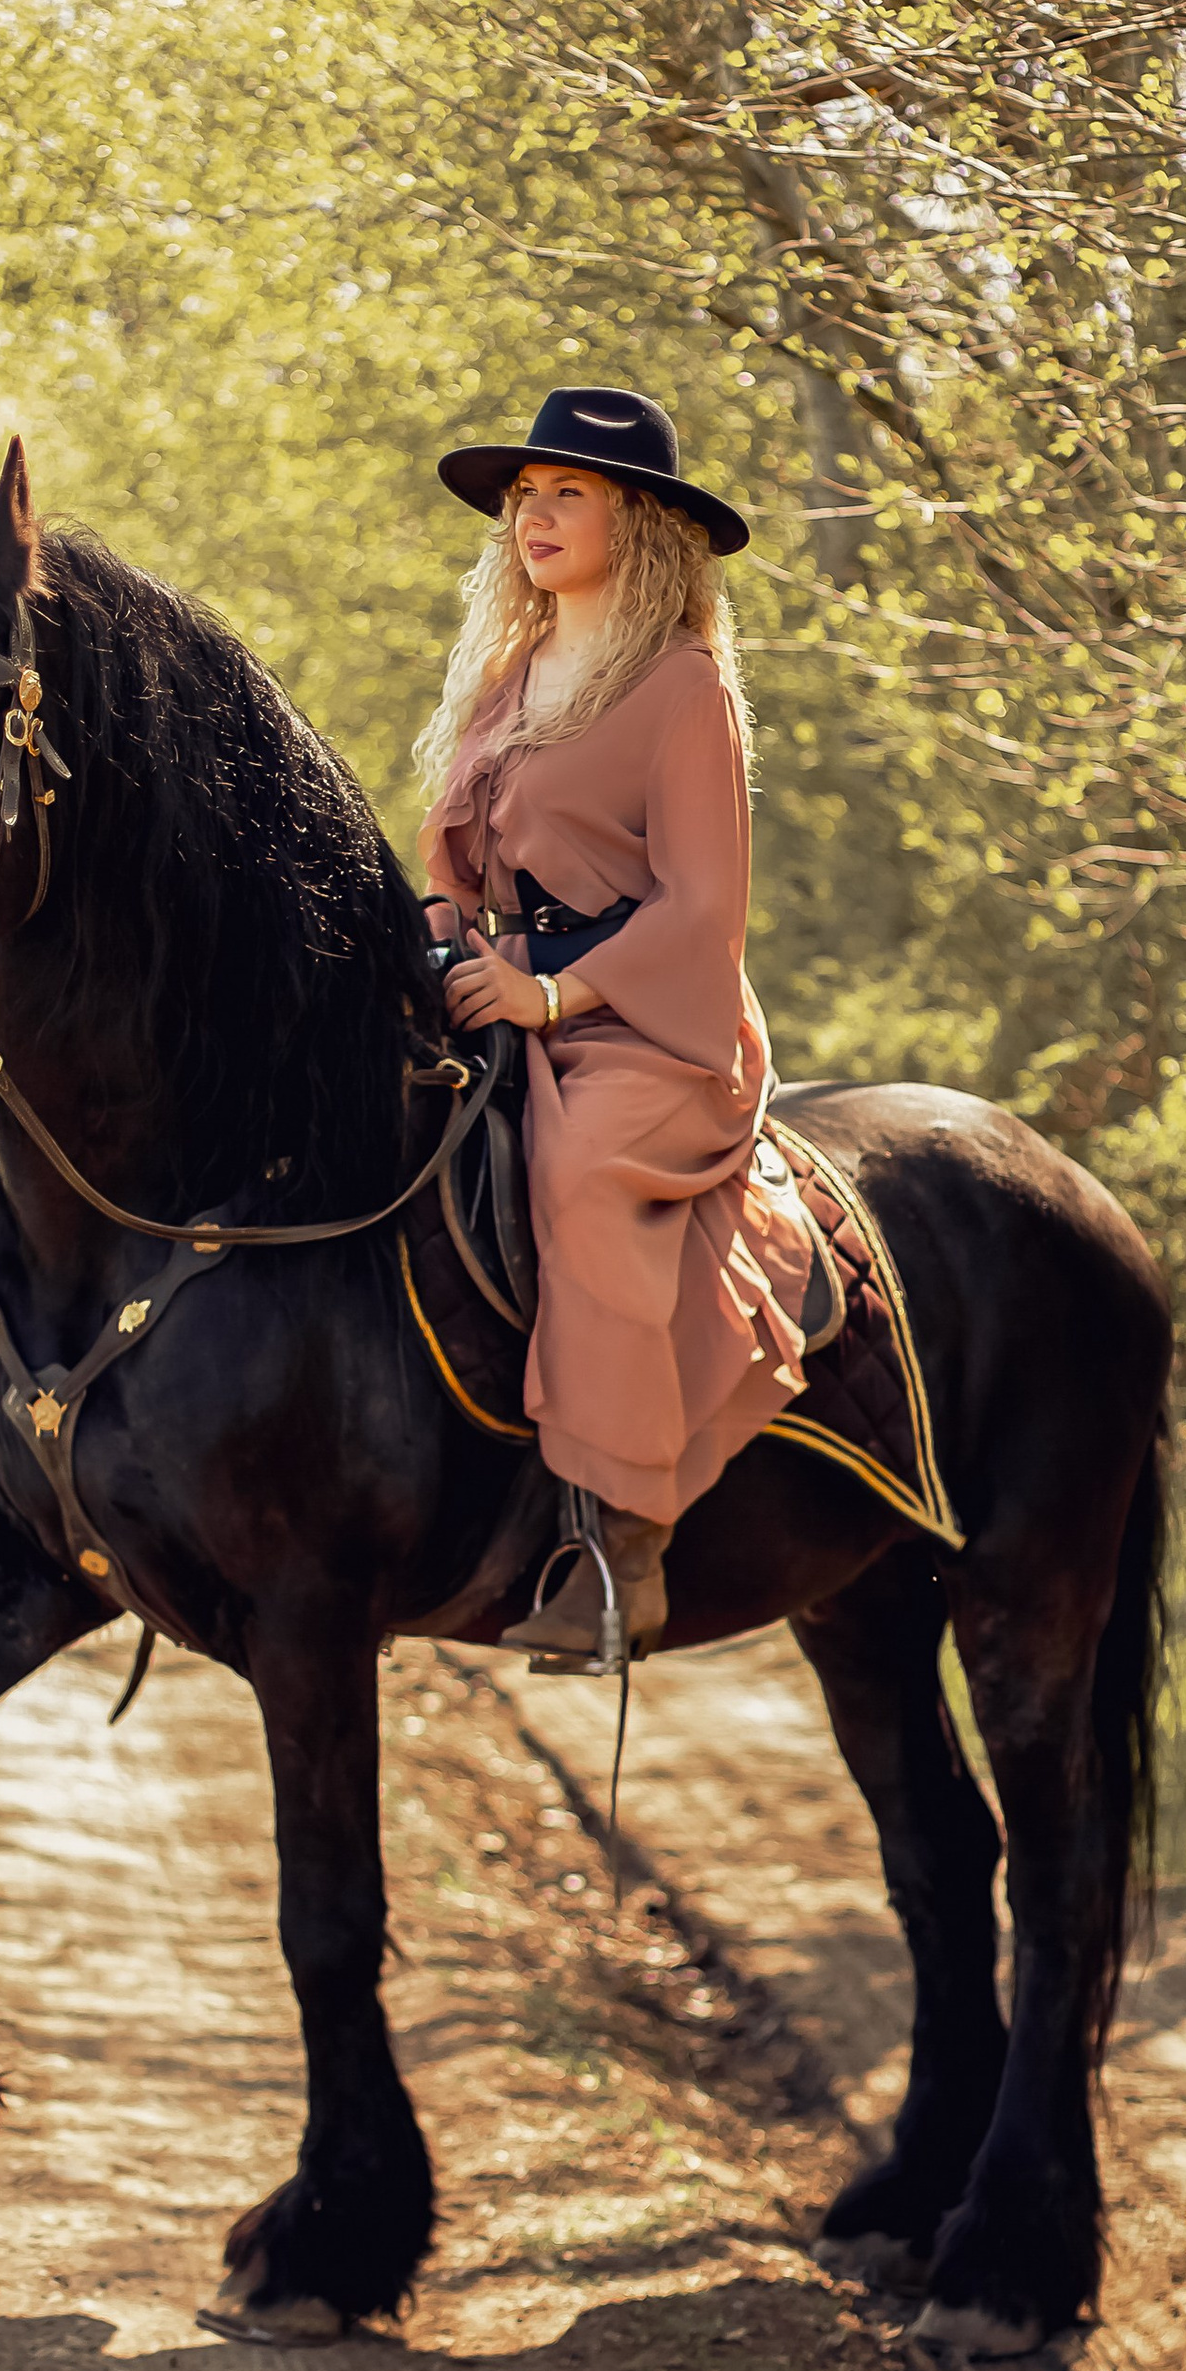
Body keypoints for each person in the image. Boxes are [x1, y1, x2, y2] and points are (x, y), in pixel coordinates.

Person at [418, 384, 811, 1665]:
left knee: (578, 1177)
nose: (532, 517)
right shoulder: (511, 672)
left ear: (637, 520)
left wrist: (550, 995)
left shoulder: (684, 684)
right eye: (522, 498)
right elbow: (458, 847)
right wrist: (440, 919)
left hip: (647, 1024)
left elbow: (704, 910)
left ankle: (622, 1543)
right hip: (501, 986)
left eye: (563, 495)